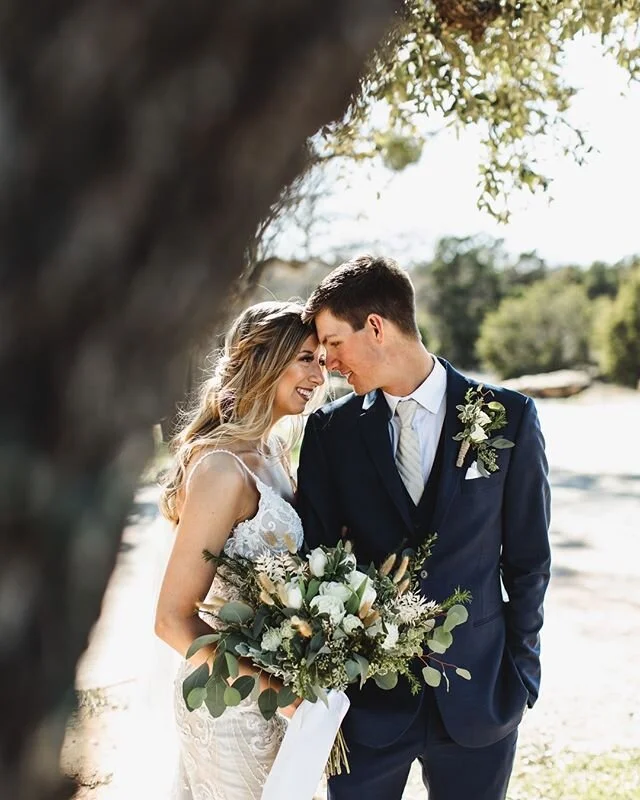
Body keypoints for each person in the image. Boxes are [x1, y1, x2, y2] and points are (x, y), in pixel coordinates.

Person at [297, 255, 551, 800]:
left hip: (480, 696)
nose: (329, 364)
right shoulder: (329, 433)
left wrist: (521, 673)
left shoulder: (508, 416)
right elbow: (314, 557)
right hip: (366, 707)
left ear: (375, 327)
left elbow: (529, 559)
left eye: (333, 343)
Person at [155, 300, 326, 800]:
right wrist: (279, 694)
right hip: (229, 703)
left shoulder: (271, 453)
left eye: (321, 359)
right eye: (306, 358)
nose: (320, 374)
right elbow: (171, 620)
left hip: (280, 695)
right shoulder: (221, 469)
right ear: (264, 361)